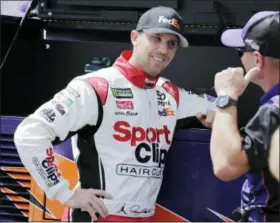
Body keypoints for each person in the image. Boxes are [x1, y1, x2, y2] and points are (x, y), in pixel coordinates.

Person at [14, 6, 215, 222]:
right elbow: (29, 133)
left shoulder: (169, 93)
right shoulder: (96, 86)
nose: (163, 50)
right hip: (99, 216)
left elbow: (212, 105)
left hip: (146, 217)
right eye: (156, 38)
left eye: (171, 44)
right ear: (135, 37)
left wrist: (219, 110)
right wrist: (64, 193)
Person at [210, 11, 280, 222]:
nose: (240, 58)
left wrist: (226, 97)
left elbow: (226, 165)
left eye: (241, 51)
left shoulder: (274, 111)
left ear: (257, 59)